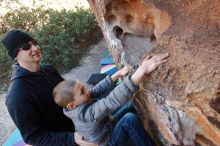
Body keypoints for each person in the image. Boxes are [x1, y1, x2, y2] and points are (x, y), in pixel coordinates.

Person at [1, 29, 98, 146]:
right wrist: (72, 138)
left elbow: (71, 97)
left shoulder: (48, 69)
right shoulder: (17, 95)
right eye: (26, 47)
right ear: (15, 55)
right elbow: (34, 137)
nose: (35, 48)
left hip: (86, 126)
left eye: (34, 43)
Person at [53, 53, 169, 146]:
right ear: (72, 106)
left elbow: (95, 90)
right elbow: (111, 101)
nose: (87, 91)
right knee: (129, 120)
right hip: (108, 141)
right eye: (82, 91)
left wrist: (117, 75)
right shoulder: (88, 115)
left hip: (108, 126)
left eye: (84, 87)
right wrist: (141, 70)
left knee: (131, 103)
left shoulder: (78, 103)